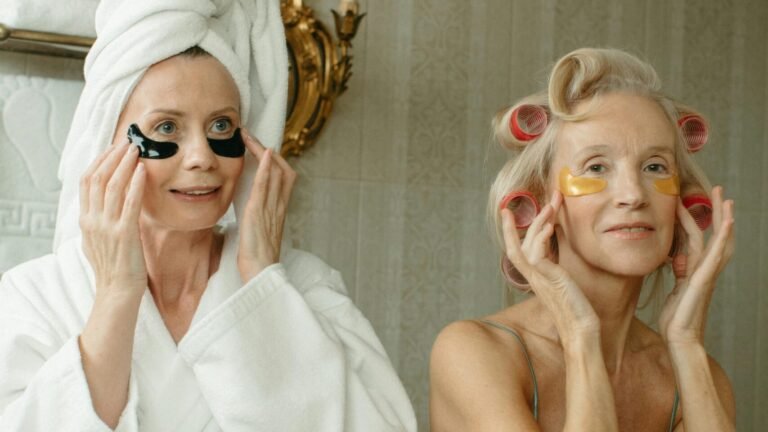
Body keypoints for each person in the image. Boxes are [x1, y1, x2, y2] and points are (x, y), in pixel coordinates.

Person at [0, 0, 416, 431]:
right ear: (108, 143)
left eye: (221, 126)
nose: (202, 156)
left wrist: (261, 284)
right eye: (166, 128)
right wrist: (117, 295)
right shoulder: (38, 298)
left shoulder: (306, 287)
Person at [429, 48, 735, 431]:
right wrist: (580, 337)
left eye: (655, 166)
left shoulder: (699, 378)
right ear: (541, 201)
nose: (633, 194)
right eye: (596, 167)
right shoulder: (475, 353)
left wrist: (688, 344)